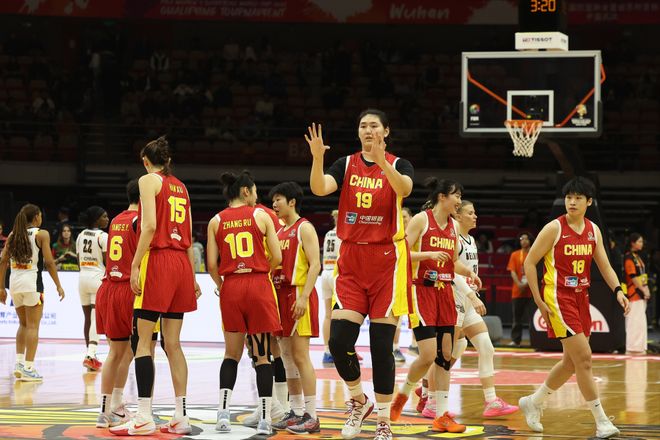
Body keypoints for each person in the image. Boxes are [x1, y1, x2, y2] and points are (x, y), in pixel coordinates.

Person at [306, 109, 414, 440]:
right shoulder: (346, 164)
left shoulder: (399, 164)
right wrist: (317, 159)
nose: (368, 130)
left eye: (374, 126)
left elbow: (404, 190)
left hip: (387, 262)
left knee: (381, 347)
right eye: (363, 126)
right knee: (339, 341)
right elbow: (319, 188)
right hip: (352, 261)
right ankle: (358, 400)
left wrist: (382, 162)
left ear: (386, 131)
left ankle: (384, 421)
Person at [519, 177, 629, 439]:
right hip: (558, 297)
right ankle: (601, 421)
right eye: (569, 197)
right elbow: (530, 262)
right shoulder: (554, 228)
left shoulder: (593, 230)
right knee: (585, 359)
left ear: (589, 202)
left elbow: (604, 265)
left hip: (581, 297)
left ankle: (534, 401)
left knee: (570, 363)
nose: (572, 202)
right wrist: (538, 300)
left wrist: (618, 290)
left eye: (578, 198)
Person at [110, 136, 200, 436]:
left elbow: (148, 226)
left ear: (146, 161)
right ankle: (181, 416)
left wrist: (135, 264)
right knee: (173, 344)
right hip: (181, 263)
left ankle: (144, 415)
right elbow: (189, 234)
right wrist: (192, 276)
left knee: (143, 342)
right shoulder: (182, 187)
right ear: (168, 160)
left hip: (159, 260)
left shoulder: (148, 180)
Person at [390, 179, 480, 433]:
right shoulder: (422, 220)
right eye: (456, 195)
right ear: (442, 197)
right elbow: (401, 253)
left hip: (445, 292)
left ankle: (441, 415)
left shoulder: (453, 226)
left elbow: (452, 262)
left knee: (446, 356)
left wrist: (469, 273)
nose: (459, 200)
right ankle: (403, 394)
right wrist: (428, 255)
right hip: (422, 290)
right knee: (428, 354)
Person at [206, 171, 282, 436]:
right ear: (246, 191)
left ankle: (222, 414)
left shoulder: (216, 220)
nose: (257, 196)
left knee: (231, 355)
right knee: (262, 356)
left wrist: (221, 285)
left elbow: (211, 264)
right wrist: (261, 271)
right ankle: (265, 418)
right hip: (258, 284)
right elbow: (277, 256)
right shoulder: (260, 215)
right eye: (256, 191)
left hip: (231, 287)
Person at [451, 200, 518, 417]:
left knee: (486, 347)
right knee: (449, 351)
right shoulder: (453, 238)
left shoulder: (471, 239)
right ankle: (427, 391)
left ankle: (491, 401)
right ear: (458, 216)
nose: (475, 216)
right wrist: (471, 295)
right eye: (470, 213)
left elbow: (467, 270)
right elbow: (451, 272)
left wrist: (473, 287)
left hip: (468, 300)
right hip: (453, 298)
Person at [269, 181, 321, 434]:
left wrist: (304, 297)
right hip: (280, 295)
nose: (274, 204)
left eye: (278, 199)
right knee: (287, 357)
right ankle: (297, 411)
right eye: (273, 200)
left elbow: (315, 264)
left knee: (300, 356)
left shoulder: (304, 228)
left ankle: (312, 414)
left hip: (298, 293)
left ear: (292, 202)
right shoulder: (279, 231)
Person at [0, 204, 65, 381]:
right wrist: (58, 285)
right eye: (40, 215)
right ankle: (29, 368)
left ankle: (19, 364)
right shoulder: (41, 234)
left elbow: (3, 261)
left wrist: (1, 288)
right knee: (33, 327)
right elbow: (49, 263)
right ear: (36, 217)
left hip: (14, 284)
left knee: (22, 324)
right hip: (32, 284)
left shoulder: (13, 235)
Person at [95, 180, 141, 429]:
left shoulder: (115, 220)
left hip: (108, 287)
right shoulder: (140, 220)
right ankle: (115, 405)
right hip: (127, 288)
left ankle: (107, 410)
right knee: (132, 351)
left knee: (116, 352)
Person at [76, 205, 110, 371]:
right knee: (96, 319)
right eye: (104, 216)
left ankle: (90, 355)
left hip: (82, 277)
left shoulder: (80, 235)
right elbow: (108, 261)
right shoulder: (103, 236)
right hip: (97, 278)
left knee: (87, 319)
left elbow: (78, 260)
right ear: (96, 220)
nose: (107, 219)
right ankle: (91, 355)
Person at [392, 207, 414, 362]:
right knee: (397, 316)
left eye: (405, 216)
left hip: (415, 279)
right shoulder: (396, 234)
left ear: (411, 217)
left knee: (415, 315)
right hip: (399, 277)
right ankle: (394, 348)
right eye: (401, 216)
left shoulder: (416, 232)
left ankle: (414, 345)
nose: (403, 218)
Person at [624, 233, 650, 355]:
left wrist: (646, 288)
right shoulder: (629, 257)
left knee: (641, 321)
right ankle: (632, 348)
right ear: (632, 243)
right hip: (634, 293)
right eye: (639, 241)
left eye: (642, 241)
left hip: (641, 293)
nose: (641, 244)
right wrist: (643, 290)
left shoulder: (637, 257)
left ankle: (640, 347)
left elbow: (642, 275)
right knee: (634, 321)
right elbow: (633, 277)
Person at [506, 232, 534, 347]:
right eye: (522, 239)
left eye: (526, 239)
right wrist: (519, 284)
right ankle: (516, 340)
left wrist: (527, 283)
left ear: (530, 240)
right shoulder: (515, 254)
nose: (523, 241)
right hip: (517, 291)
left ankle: (534, 340)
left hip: (531, 292)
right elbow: (512, 271)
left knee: (532, 318)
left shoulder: (534, 253)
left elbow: (536, 270)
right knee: (517, 318)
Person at [320, 209, 340, 363]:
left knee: (328, 315)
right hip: (336, 274)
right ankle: (344, 349)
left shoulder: (328, 234)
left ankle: (327, 351)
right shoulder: (344, 234)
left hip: (325, 273)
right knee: (343, 316)